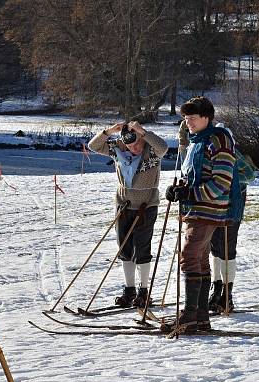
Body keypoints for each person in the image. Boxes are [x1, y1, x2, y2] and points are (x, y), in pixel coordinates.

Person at [162, 96, 235, 333]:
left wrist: (190, 193)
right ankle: (201, 316)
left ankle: (190, 315)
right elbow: (193, 175)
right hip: (196, 209)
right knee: (200, 259)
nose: (188, 123)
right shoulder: (197, 141)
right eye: (185, 119)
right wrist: (178, 189)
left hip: (208, 209)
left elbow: (221, 183)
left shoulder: (218, 139)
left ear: (206, 117)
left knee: (189, 256)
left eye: (192, 118)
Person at [88, 121, 168, 308]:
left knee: (142, 248)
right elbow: (93, 146)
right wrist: (109, 131)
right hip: (124, 205)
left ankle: (144, 290)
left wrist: (143, 132)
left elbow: (163, 147)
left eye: (137, 143)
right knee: (124, 249)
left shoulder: (151, 150)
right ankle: (129, 289)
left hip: (146, 205)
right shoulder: (117, 149)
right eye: (130, 146)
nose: (134, 149)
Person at [179, 120, 244, 313]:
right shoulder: (200, 146)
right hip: (209, 207)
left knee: (225, 251)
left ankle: (226, 294)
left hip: (227, 209)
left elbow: (228, 181)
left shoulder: (230, 153)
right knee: (210, 252)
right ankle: (215, 292)